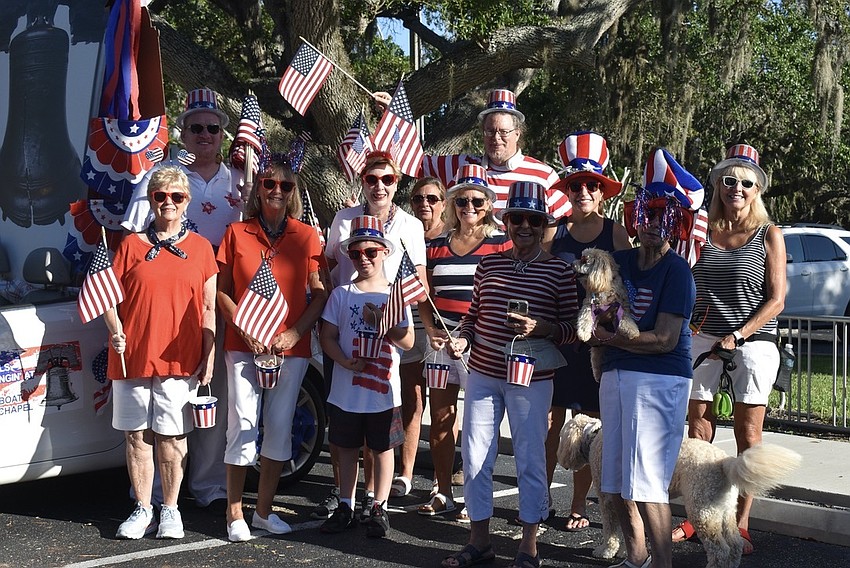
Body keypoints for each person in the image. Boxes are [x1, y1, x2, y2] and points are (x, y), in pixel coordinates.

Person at [441, 181, 578, 568]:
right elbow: (473, 317)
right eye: (516, 218)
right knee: (475, 456)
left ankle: (528, 546)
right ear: (505, 221)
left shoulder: (559, 271)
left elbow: (573, 330)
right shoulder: (489, 263)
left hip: (531, 378)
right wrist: (462, 340)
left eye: (533, 220)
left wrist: (544, 329)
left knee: (530, 458)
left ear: (542, 224)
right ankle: (479, 541)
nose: (524, 226)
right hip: (483, 373)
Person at [122, 87, 241, 508]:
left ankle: (206, 486)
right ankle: (152, 493)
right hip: (163, 303)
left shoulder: (241, 177)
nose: (204, 134)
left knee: (212, 396)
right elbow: (132, 234)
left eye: (212, 127)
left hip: (219, 299)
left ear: (224, 133)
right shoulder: (162, 177)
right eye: (195, 127)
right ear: (183, 132)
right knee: (156, 401)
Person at [590, 148, 701, 568]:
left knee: (649, 482)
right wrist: (606, 330)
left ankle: (663, 564)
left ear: (677, 222)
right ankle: (636, 557)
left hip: (659, 380)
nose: (653, 223)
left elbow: (665, 340)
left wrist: (612, 338)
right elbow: (601, 307)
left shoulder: (677, 272)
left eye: (663, 215)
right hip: (617, 377)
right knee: (616, 479)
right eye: (648, 213)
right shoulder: (617, 261)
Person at [674, 144, 786, 555]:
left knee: (748, 433)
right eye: (728, 180)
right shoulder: (703, 229)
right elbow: (686, 280)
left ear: (757, 189)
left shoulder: (768, 234)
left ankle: (741, 522)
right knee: (698, 428)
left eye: (745, 182)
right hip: (704, 337)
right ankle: (699, 515)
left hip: (753, 338)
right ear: (718, 185)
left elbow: (777, 299)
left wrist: (738, 335)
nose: (735, 188)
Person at [216, 154, 327, 542]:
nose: (277, 191)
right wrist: (243, 326)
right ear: (257, 190)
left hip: (288, 349)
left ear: (294, 192)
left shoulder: (306, 236)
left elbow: (319, 293)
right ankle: (234, 514)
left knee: (279, 427)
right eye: (269, 184)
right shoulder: (236, 233)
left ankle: (263, 511)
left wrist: (296, 333)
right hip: (243, 345)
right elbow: (221, 291)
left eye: (286, 185)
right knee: (241, 424)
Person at [105, 166, 217, 539]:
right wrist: (115, 330)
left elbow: (209, 307)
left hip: (180, 357)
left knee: (171, 437)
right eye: (161, 196)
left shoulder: (202, 249)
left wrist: (210, 354)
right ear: (151, 200)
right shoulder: (130, 245)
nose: (168, 202)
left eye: (177, 196)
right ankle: (142, 508)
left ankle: (170, 509)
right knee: (136, 437)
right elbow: (108, 297)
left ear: (187, 202)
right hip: (131, 355)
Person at [314, 151, 426, 522]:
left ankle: (377, 502)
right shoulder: (344, 219)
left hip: (388, 338)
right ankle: (344, 500)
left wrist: (394, 315)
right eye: (372, 178)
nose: (379, 186)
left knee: (382, 436)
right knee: (344, 432)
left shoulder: (410, 225)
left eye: (388, 180)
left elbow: (418, 284)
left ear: (397, 182)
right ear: (361, 180)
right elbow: (326, 267)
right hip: (346, 332)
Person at [546, 131, 631, 531]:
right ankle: (540, 497)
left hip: (598, 345)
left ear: (602, 193)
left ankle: (578, 503)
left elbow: (627, 288)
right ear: (567, 190)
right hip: (558, 340)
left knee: (590, 429)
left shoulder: (614, 233)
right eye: (576, 184)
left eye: (591, 185)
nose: (583, 191)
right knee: (549, 423)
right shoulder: (554, 232)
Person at [419, 165, 511, 520]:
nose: (468, 206)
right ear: (452, 204)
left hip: (482, 343)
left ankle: (476, 496)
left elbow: (506, 294)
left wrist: (475, 334)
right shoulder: (437, 245)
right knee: (440, 417)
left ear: (488, 204)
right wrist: (430, 330)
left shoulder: (500, 242)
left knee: (478, 422)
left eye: (476, 200)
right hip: (441, 342)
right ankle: (442, 490)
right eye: (461, 200)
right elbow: (424, 295)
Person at [318, 215, 415, 538]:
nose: (364, 258)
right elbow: (327, 335)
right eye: (357, 253)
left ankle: (378, 506)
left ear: (384, 252)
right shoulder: (342, 294)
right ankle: (346, 503)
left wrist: (384, 323)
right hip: (347, 387)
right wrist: (344, 361)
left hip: (383, 390)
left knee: (382, 448)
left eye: (371, 252)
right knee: (346, 448)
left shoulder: (394, 295)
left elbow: (408, 340)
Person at [375, 89, 570, 239]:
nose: (496, 138)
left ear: (517, 133)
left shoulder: (544, 175)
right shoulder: (461, 167)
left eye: (503, 132)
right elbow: (413, 161)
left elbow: (567, 226)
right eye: (489, 131)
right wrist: (392, 117)